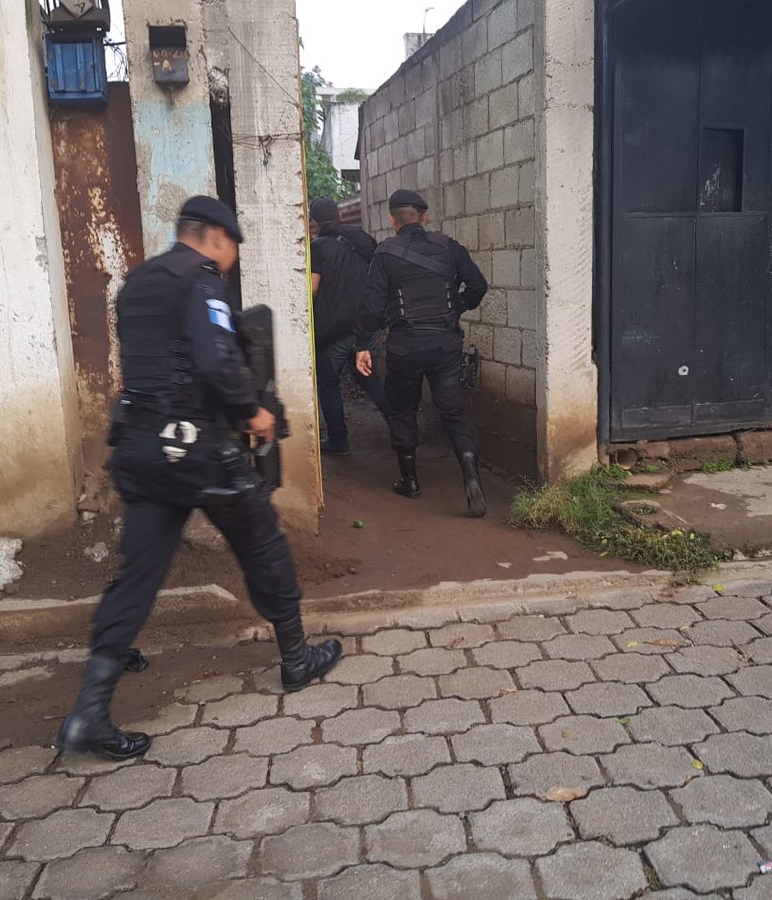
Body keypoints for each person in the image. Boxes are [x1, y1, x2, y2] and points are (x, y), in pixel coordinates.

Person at [56, 196, 342, 761]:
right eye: (232, 246)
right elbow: (214, 362)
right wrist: (253, 412)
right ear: (214, 237)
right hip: (196, 450)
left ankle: (90, 710)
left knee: (139, 570)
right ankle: (295, 658)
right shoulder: (202, 282)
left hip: (140, 448)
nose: (232, 259)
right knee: (261, 541)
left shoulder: (137, 285)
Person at [356, 189, 490, 517]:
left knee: (403, 410)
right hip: (445, 345)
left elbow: (372, 307)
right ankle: (471, 479)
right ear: (424, 216)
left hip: (404, 347)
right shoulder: (449, 248)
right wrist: (453, 309)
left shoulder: (385, 254)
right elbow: (478, 286)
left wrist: (362, 344)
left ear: (392, 219)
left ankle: (410, 481)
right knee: (454, 413)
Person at [309, 197, 390, 455]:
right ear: (340, 217)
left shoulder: (318, 247)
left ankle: (338, 440)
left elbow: (312, 288)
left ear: (315, 222)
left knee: (328, 383)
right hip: (365, 326)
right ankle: (401, 427)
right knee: (368, 377)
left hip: (334, 330)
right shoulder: (362, 242)